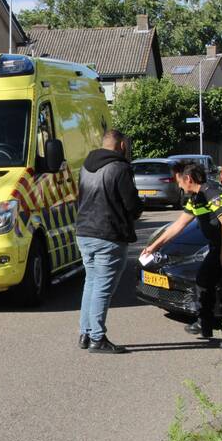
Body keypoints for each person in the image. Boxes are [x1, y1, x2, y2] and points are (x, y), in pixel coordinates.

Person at [141, 162, 222, 345]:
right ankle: (204, 323)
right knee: (203, 281)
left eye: (179, 181)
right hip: (219, 247)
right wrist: (154, 246)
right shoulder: (196, 198)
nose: (178, 185)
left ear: (188, 179)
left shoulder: (212, 192)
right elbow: (178, 225)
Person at [75, 129, 143, 354]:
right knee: (102, 288)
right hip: (108, 234)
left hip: (84, 232)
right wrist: (137, 210)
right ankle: (97, 338)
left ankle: (85, 333)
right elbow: (131, 204)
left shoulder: (85, 167)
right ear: (121, 145)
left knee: (91, 283)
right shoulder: (120, 168)